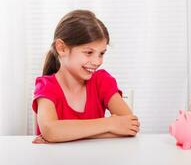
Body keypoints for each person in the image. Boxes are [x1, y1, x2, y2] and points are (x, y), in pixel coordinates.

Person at [32, 10, 140, 143]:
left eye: (101, 53)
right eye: (89, 52)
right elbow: (51, 130)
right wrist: (110, 124)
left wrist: (63, 135)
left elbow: (130, 126)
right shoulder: (46, 86)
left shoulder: (102, 81)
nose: (97, 61)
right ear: (62, 48)